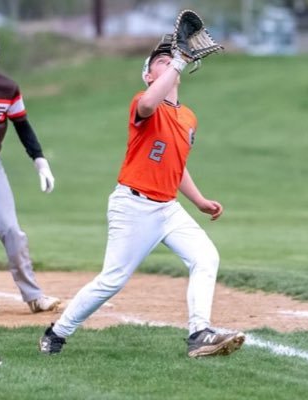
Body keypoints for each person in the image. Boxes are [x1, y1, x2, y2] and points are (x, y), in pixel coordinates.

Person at [39, 35, 245, 358]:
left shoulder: (188, 117)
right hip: (133, 206)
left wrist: (200, 201)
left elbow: (176, 165)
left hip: (168, 208)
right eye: (160, 62)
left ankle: (199, 333)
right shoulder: (142, 102)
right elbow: (149, 104)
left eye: (172, 59)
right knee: (112, 280)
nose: (169, 61)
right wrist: (178, 62)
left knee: (206, 257)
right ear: (149, 76)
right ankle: (57, 332)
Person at [0, 23, 60, 315]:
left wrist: (40, 161)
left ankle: (34, 296)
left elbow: (23, 127)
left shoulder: (7, 88)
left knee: (12, 230)